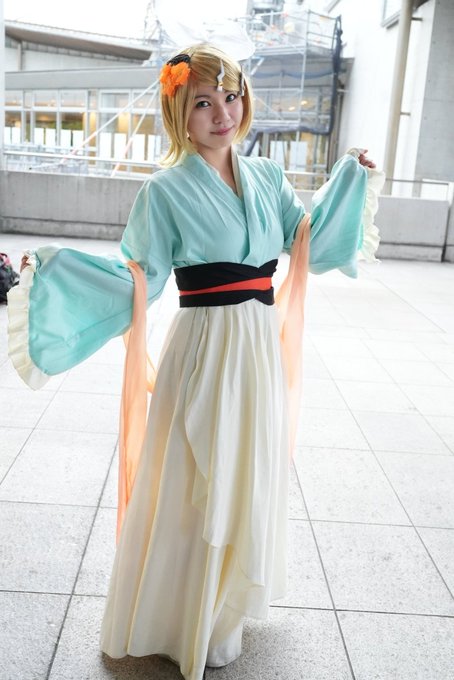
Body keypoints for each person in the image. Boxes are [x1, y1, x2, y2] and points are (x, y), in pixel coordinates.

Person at [9, 43, 383, 680]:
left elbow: (307, 242)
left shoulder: (267, 177)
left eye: (230, 97)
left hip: (257, 343)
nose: (222, 114)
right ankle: (180, 615)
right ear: (178, 113)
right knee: (195, 473)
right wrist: (56, 275)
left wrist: (351, 179)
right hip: (206, 343)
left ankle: (222, 611)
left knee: (244, 469)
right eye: (203, 103)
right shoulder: (164, 190)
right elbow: (140, 277)